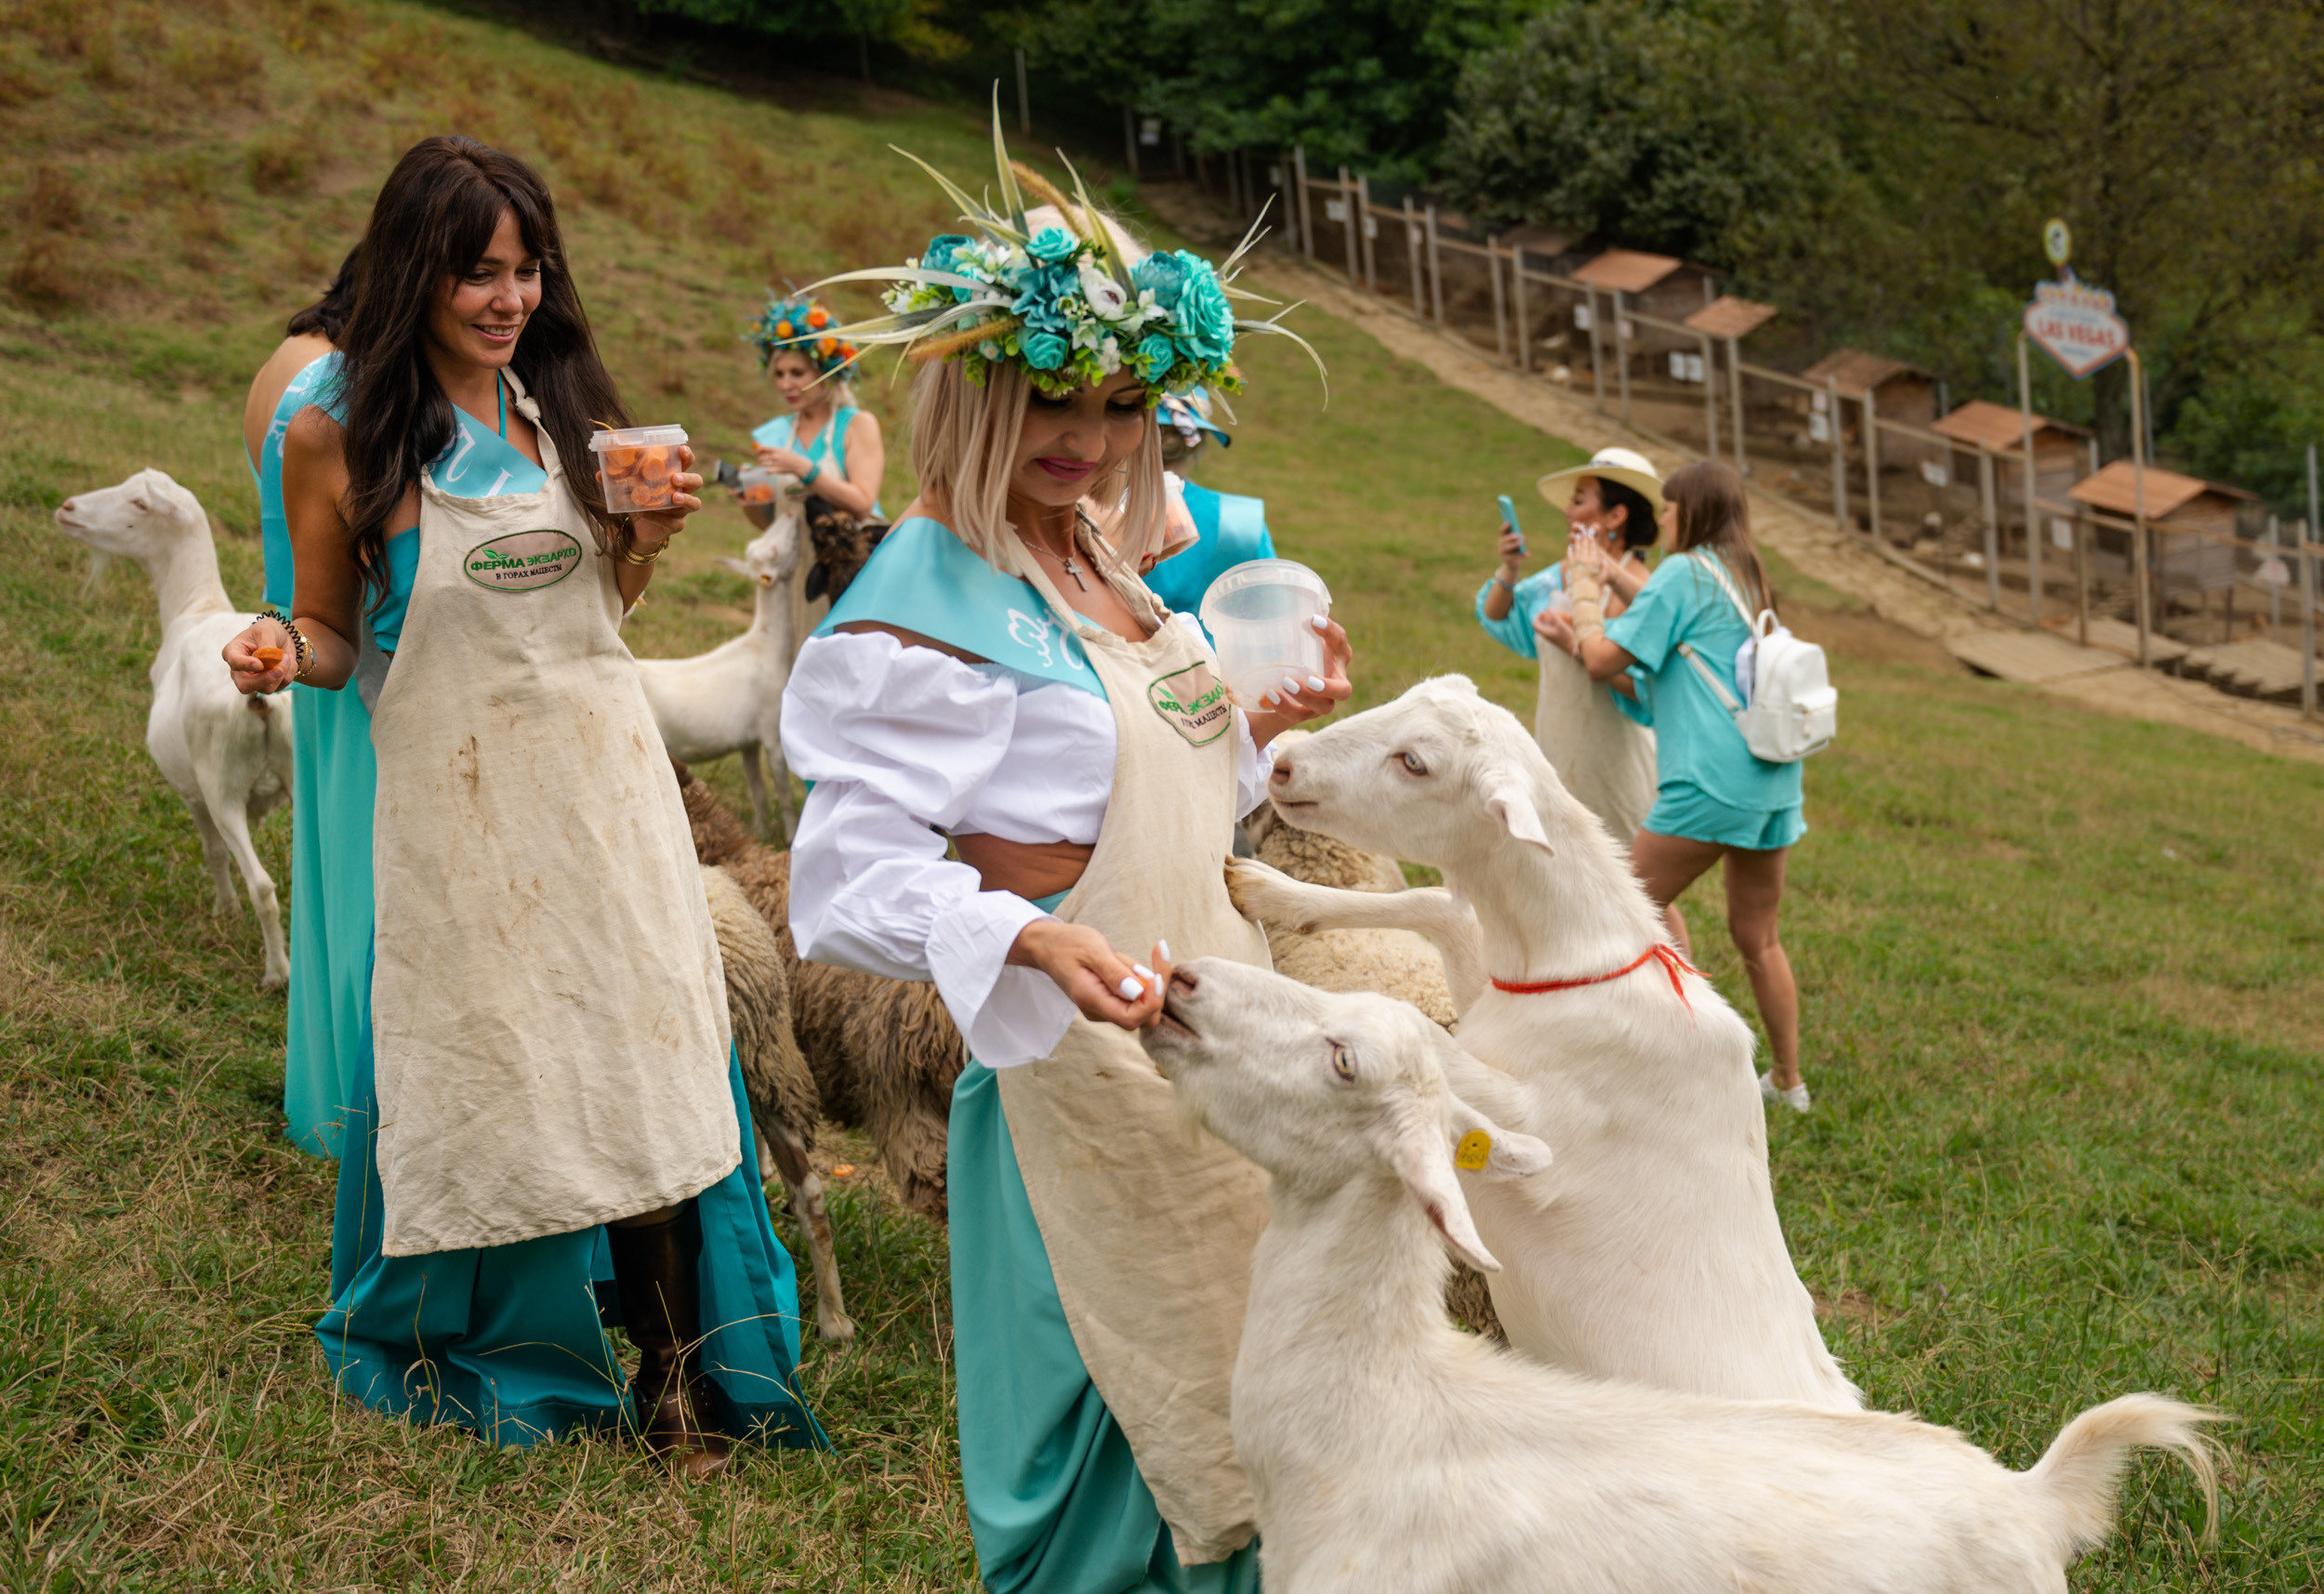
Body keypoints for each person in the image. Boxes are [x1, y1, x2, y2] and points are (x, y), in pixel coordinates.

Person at [781, 128, 1346, 1594]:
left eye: (1115, 404)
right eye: (1050, 400)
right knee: (1115, 1470)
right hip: (1072, 1099)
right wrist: (1026, 940)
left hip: (1216, 1055)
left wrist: (1260, 718)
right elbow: (837, 882)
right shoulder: (932, 605)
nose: (1085, 439)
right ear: (971, 387)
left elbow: (1163, 794)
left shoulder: (1098, 551)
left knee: (1256, 1424)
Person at [222, 136, 823, 1469]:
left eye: (525, 269)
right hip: (457, 804)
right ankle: (508, 1331)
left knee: (648, 1059)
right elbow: (329, 630)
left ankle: (676, 1379)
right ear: (409, 274)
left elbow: (597, 613)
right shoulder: (335, 432)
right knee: (498, 1065)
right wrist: (278, 646)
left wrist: (644, 543)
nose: (507, 299)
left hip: (606, 795)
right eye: (474, 273)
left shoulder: (568, 411)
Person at [1537, 460, 1811, 1113]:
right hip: (1771, 782)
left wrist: (1582, 588)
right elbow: (1666, 644)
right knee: (1759, 938)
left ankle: (1641, 1059)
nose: (1661, 518)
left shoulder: (1686, 572)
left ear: (1691, 510)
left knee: (1614, 913)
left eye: (1668, 507)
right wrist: (1611, 575)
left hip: (1708, 785)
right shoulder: (1746, 576)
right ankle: (1790, 1084)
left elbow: (1605, 659)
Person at [241, 250, 363, 1155]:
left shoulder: (283, 366)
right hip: (349, 647)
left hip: (303, 647)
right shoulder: (334, 388)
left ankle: (330, 1096)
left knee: (335, 874)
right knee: (371, 883)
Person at [1476, 446, 1662, 845]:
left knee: (1639, 884)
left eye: (1579, 501)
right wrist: (1510, 569)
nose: (1568, 511)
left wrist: (1572, 644)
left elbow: (1649, 686)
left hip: (1614, 756)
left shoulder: (1640, 587)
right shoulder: (1560, 575)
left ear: (1616, 515)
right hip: (1560, 743)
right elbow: (1497, 615)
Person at [746, 294, 883, 522]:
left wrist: (804, 470)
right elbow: (772, 524)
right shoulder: (774, 434)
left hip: (854, 552)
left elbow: (863, 505)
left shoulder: (857, 425)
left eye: (797, 373)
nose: (785, 384)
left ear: (826, 375)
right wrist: (750, 498)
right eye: (779, 374)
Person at [1142, 389, 1273, 629]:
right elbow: (1271, 615)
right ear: (1195, 442)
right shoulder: (1243, 522)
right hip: (1214, 663)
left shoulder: (1089, 510)